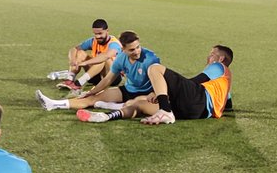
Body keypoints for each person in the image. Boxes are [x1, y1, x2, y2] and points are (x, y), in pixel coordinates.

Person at [77, 45, 233, 125]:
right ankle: (105, 117)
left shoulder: (219, 67)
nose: (208, 56)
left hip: (196, 100)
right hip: (195, 113)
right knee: (140, 105)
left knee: (155, 69)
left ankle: (165, 111)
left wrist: (162, 94)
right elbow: (228, 104)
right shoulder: (222, 83)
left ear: (220, 59)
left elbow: (194, 81)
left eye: (212, 54)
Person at [36, 30, 160, 112]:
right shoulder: (120, 58)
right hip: (128, 90)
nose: (137, 51)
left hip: (148, 93)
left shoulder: (150, 58)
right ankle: (53, 104)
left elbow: (160, 79)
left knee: (134, 104)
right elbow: (108, 79)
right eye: (132, 50)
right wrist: (92, 92)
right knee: (90, 99)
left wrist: (155, 93)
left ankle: (114, 106)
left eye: (138, 47)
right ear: (123, 49)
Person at [54, 18, 121, 93]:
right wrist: (73, 60)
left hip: (111, 78)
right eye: (95, 34)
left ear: (107, 31)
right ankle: (70, 79)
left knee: (103, 58)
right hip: (95, 75)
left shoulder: (114, 43)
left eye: (100, 33)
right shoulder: (93, 41)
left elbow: (106, 56)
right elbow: (73, 49)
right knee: (79, 52)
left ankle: (78, 83)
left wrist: (86, 63)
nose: (98, 36)